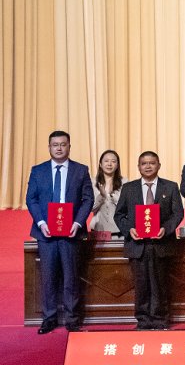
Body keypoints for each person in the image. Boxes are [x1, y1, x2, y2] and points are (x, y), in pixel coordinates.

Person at [26, 130, 93, 333]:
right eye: (55, 145)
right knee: (48, 277)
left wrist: (78, 223)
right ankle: (49, 318)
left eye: (63, 144)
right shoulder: (38, 171)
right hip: (46, 232)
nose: (59, 148)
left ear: (69, 147)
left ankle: (72, 318)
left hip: (71, 231)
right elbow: (31, 199)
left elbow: (88, 199)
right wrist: (41, 223)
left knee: (71, 276)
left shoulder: (80, 170)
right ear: (49, 147)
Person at [113, 151, 184, 330]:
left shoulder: (170, 187)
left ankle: (161, 320)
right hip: (137, 245)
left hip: (161, 244)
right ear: (138, 167)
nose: (148, 166)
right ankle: (143, 320)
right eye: (144, 163)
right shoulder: (129, 188)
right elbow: (119, 214)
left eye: (152, 163)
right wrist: (129, 230)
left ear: (159, 165)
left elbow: (178, 213)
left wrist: (165, 229)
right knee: (141, 285)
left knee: (161, 285)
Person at [89, 150, 124, 233]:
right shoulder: (91, 183)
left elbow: (126, 208)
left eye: (113, 161)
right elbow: (89, 209)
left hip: (119, 230)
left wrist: (114, 197)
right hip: (97, 229)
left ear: (117, 165)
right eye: (106, 161)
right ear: (100, 164)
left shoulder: (125, 183)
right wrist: (102, 196)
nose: (109, 164)